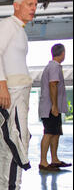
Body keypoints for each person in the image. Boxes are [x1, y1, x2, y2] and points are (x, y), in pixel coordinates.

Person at [0, 0, 39, 190]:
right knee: (17, 143)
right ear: (16, 5)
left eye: (35, 4)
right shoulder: (7, 25)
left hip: (18, 90)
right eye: (29, 4)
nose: (33, 8)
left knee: (7, 144)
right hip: (12, 91)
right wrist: (3, 86)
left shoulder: (19, 30)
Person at [38, 43, 71, 171]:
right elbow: (53, 85)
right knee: (49, 133)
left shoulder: (53, 66)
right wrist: (55, 106)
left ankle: (54, 159)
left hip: (52, 107)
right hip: (50, 107)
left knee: (55, 133)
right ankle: (43, 162)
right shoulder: (54, 67)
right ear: (62, 53)